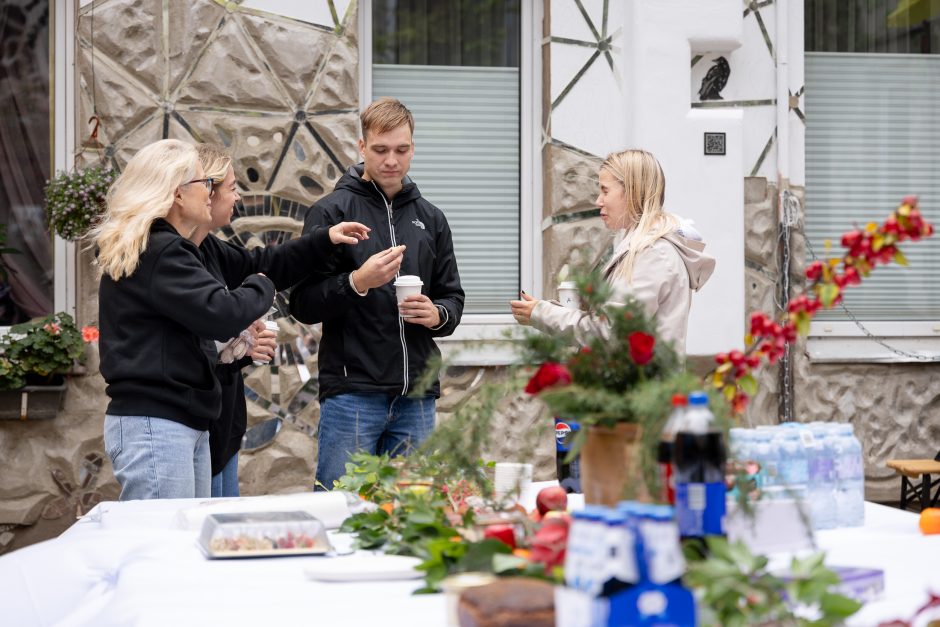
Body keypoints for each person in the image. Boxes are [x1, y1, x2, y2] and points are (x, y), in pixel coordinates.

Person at [289, 97, 464, 490]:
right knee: (343, 511)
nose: (391, 161)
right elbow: (301, 302)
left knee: (412, 514)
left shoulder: (432, 219)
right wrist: (357, 283)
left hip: (416, 397)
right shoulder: (331, 213)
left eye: (401, 150)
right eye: (381, 150)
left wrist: (437, 314)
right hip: (353, 395)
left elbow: (453, 297)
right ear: (362, 147)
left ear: (413, 148)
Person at [95, 139, 275, 500]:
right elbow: (220, 314)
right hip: (157, 426)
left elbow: (189, 332)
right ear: (177, 194)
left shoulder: (164, 250)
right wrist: (261, 284)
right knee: (162, 549)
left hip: (175, 422)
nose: (209, 192)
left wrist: (231, 352)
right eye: (201, 182)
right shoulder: (162, 251)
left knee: (181, 546)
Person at [192, 143, 370, 497]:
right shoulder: (174, 254)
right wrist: (258, 290)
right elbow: (216, 314)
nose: (238, 197)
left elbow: (265, 261)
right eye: (231, 188)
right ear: (205, 194)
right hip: (196, 427)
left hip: (222, 429)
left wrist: (325, 239)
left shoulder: (209, 248)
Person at [510, 149, 715, 354]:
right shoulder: (643, 247)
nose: (598, 200)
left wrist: (543, 314)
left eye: (605, 191)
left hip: (640, 385)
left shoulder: (652, 254)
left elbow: (610, 333)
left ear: (632, 191)